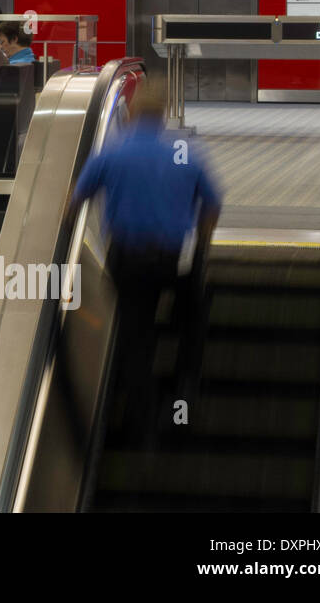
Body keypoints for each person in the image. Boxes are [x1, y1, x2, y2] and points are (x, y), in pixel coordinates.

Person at [63, 77, 221, 445]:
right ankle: (185, 396)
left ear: (131, 113)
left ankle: (143, 422)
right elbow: (212, 203)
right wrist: (201, 250)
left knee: (137, 334)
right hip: (177, 258)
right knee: (191, 323)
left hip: (129, 257)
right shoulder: (185, 151)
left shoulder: (111, 154)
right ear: (164, 116)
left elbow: (74, 204)